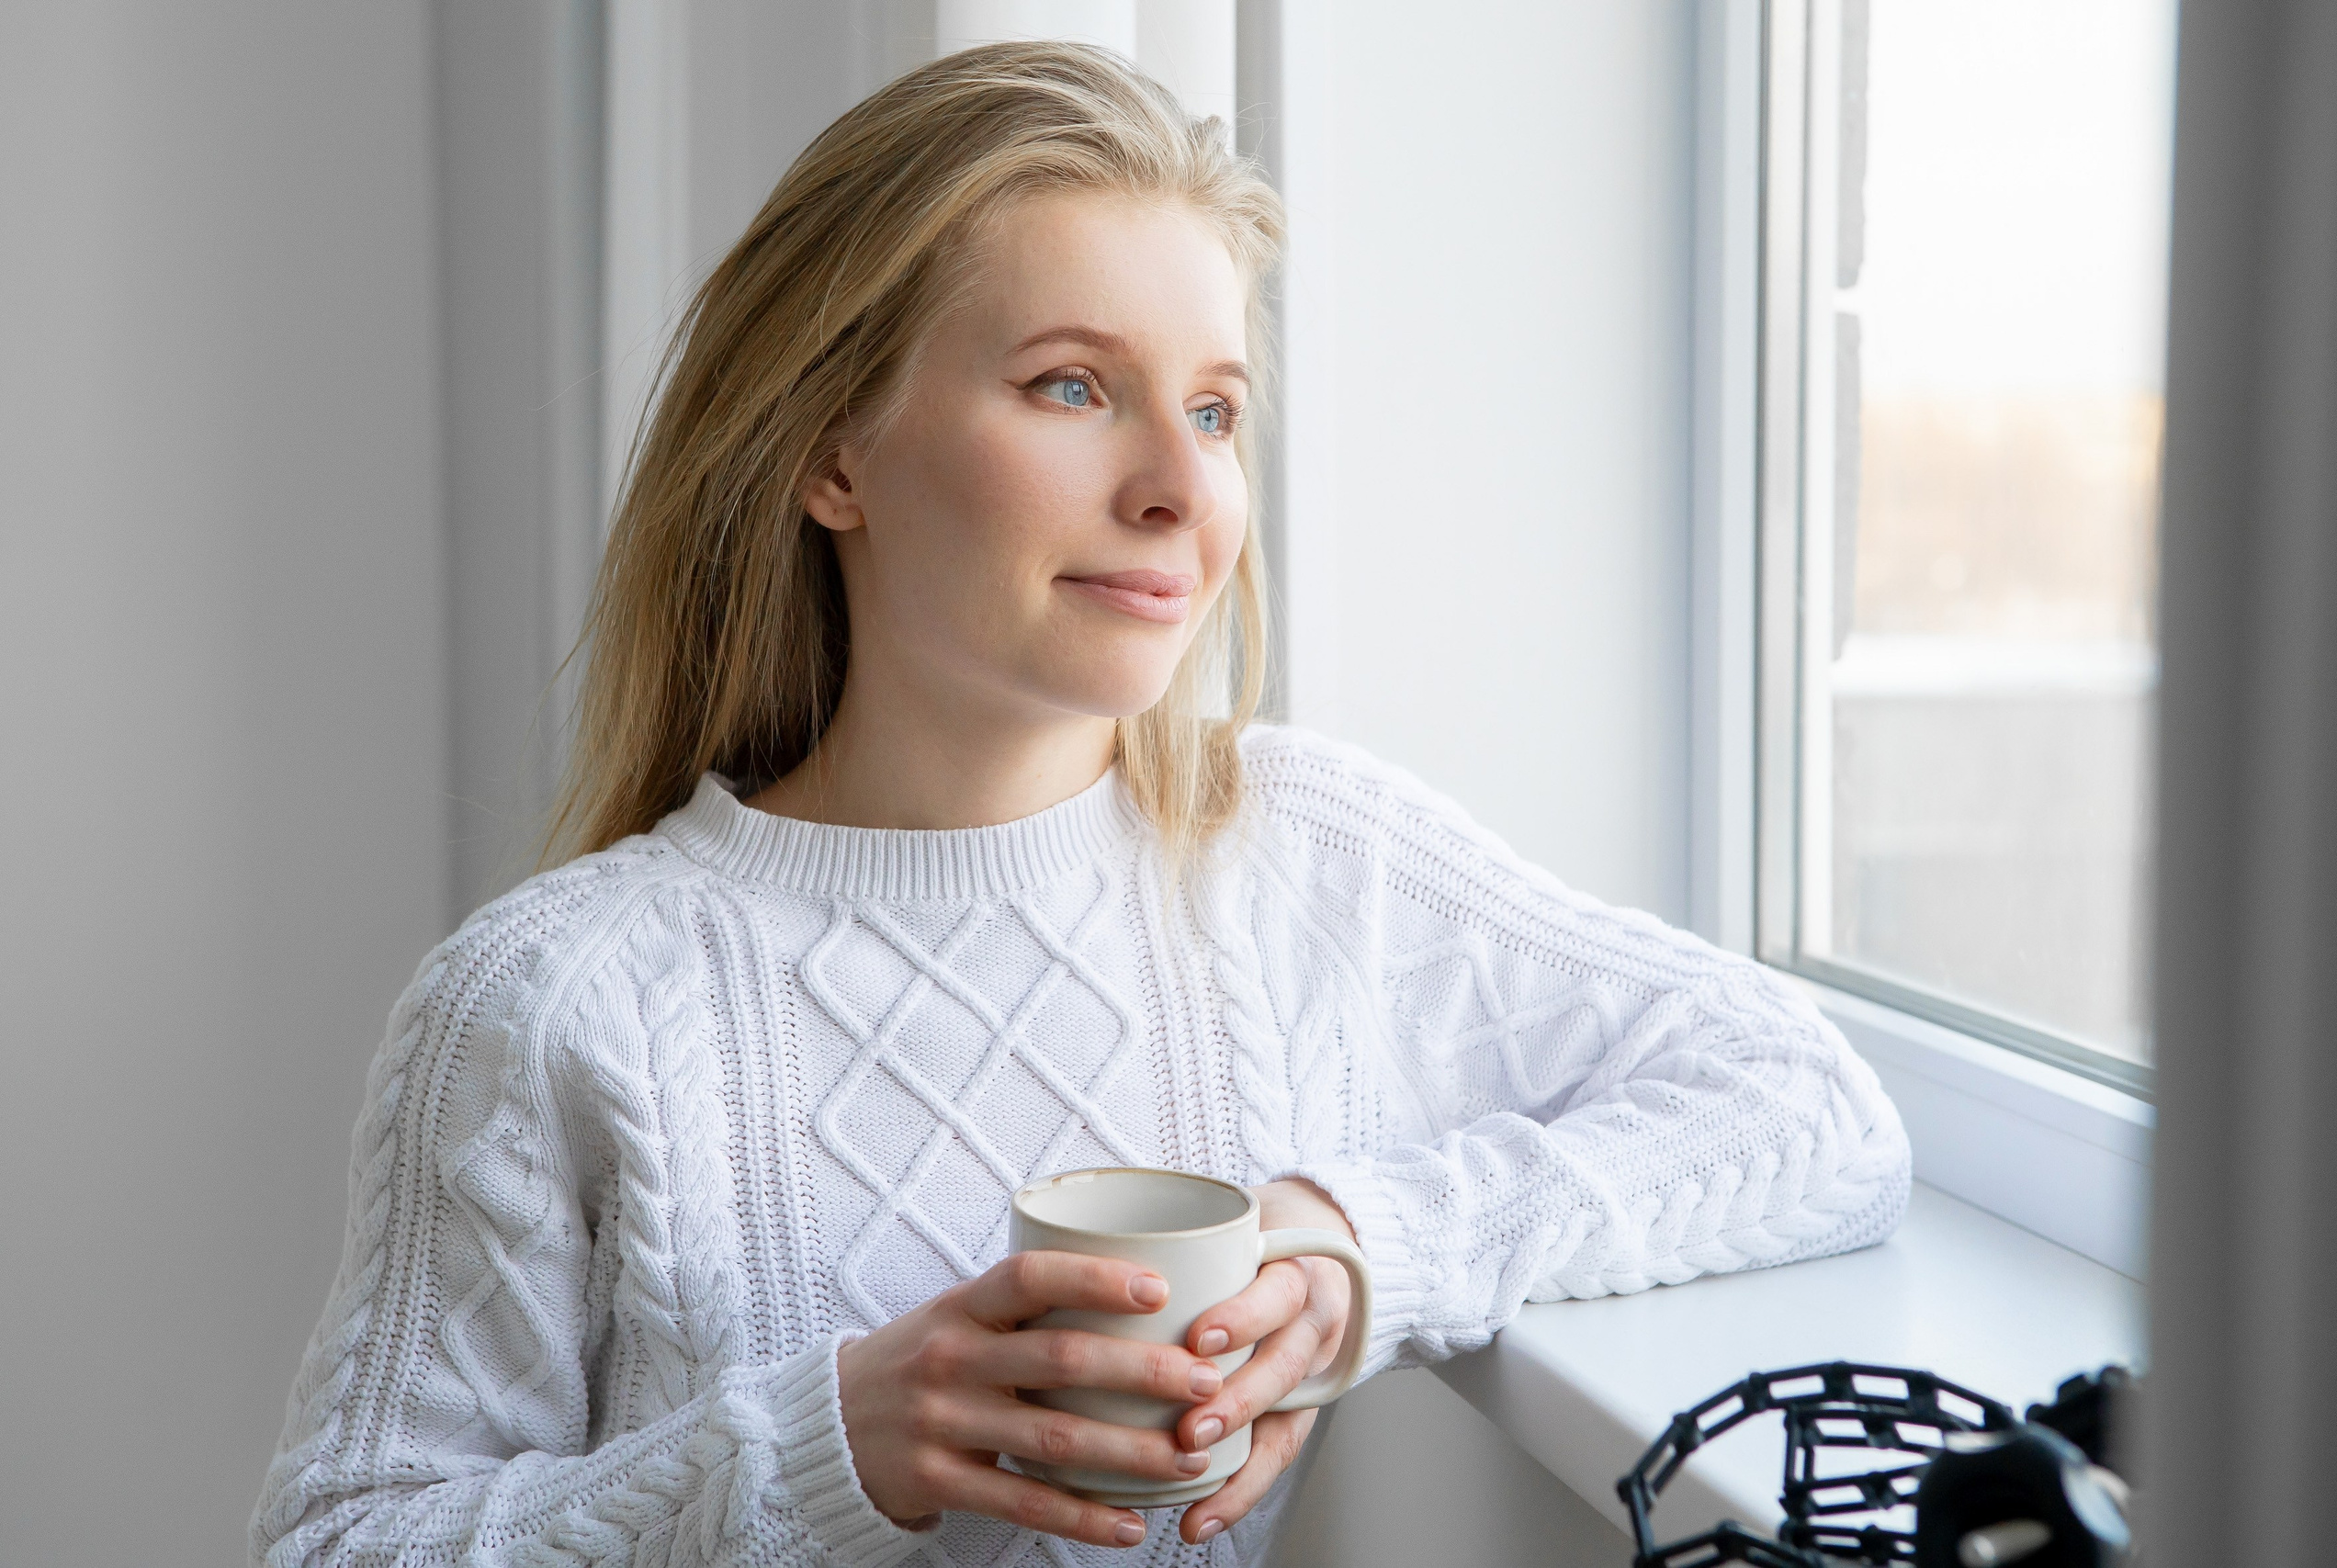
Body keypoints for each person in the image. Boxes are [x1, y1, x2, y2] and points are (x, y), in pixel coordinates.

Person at [253, 41, 1908, 1568]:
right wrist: (825, 1448)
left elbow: (1814, 1110)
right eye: (1069, 386)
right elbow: (338, 1544)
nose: (1182, 490)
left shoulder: (1304, 863)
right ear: (833, 452)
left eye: (1213, 408)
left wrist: (1356, 1255)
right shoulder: (551, 998)